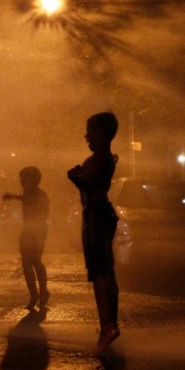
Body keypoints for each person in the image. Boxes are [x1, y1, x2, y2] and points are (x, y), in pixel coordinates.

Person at [67, 112, 121, 354]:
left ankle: (108, 326)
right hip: (101, 216)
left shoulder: (101, 159)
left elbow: (91, 187)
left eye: (90, 131)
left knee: (98, 272)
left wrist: (76, 178)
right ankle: (108, 325)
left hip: (96, 217)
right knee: (106, 271)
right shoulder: (104, 158)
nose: (86, 135)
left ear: (101, 133)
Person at [3, 166, 51, 310]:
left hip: (36, 231)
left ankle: (41, 292)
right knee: (28, 263)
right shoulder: (33, 192)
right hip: (31, 231)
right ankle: (37, 294)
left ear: (33, 179)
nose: (21, 181)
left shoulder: (36, 193)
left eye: (24, 178)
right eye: (21, 179)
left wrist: (13, 196)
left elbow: (32, 204)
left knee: (34, 262)